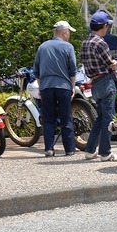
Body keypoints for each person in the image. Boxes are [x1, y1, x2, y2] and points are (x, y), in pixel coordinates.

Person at [81, 11, 117, 162]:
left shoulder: (85, 43)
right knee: (108, 119)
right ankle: (106, 153)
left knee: (100, 118)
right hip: (106, 81)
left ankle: (90, 150)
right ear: (104, 26)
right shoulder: (101, 43)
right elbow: (111, 66)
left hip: (94, 83)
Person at [33, 21, 78, 157]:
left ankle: (49, 149)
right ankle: (69, 149)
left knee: (48, 119)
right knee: (66, 118)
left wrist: (41, 87)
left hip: (46, 87)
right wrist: (73, 87)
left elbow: (37, 71)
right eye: (69, 32)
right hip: (63, 87)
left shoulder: (42, 47)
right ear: (64, 32)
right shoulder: (68, 47)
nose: (69, 35)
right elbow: (72, 69)